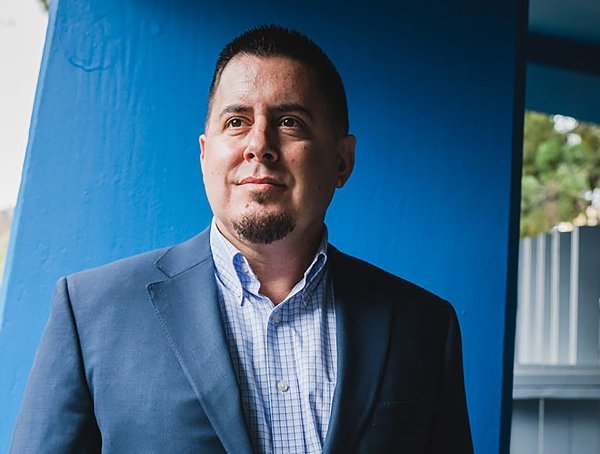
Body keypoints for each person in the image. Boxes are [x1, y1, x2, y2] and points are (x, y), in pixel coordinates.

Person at [11, 25, 473, 453]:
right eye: (236, 122)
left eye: (290, 121)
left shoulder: (425, 327)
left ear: (342, 161)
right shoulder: (91, 312)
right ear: (205, 153)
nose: (259, 144)